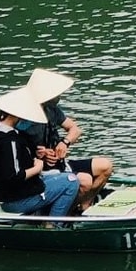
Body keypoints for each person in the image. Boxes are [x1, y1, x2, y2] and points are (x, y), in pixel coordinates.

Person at [19, 67, 113, 208]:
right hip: (39, 170)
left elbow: (75, 129)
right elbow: (19, 150)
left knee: (105, 166)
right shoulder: (23, 120)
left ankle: (85, 204)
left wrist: (65, 142)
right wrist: (41, 155)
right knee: (86, 181)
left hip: (60, 164)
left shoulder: (52, 110)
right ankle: (66, 213)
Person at [0, 88, 78, 217]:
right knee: (71, 181)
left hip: (16, 190)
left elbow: (12, 161)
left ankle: (44, 217)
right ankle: (53, 225)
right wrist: (37, 167)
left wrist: (36, 155)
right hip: (15, 199)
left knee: (60, 175)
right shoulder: (9, 141)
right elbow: (13, 176)